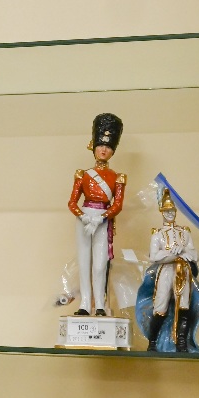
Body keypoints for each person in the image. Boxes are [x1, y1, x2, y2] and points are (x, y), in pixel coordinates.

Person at [67, 113, 125, 317]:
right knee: (84, 262)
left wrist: (102, 217)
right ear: (93, 146)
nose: (104, 150)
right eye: (101, 145)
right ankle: (85, 303)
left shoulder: (118, 177)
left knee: (100, 265)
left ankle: (100, 304)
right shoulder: (82, 174)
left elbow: (117, 204)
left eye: (108, 147)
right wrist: (83, 216)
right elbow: (72, 202)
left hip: (103, 218)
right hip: (84, 217)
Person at [145, 189, 199, 351]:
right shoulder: (157, 234)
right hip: (166, 271)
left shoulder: (184, 233)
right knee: (160, 306)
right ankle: (152, 342)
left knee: (184, 305)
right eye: (167, 211)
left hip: (183, 271)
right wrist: (172, 253)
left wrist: (183, 250)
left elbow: (194, 254)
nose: (170, 214)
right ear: (162, 212)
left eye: (172, 211)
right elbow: (154, 256)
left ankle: (181, 342)